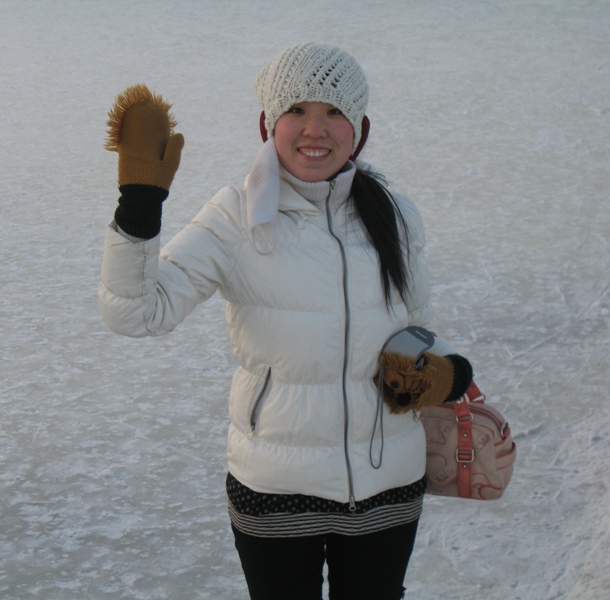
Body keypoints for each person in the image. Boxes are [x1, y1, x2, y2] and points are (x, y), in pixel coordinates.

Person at [99, 42, 472, 600]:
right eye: (296, 110)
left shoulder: (394, 214)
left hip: (387, 481)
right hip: (274, 487)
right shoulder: (234, 216)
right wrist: (139, 201)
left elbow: (416, 326)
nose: (314, 130)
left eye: (334, 112)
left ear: (360, 129)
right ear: (267, 124)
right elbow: (136, 313)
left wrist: (445, 369)